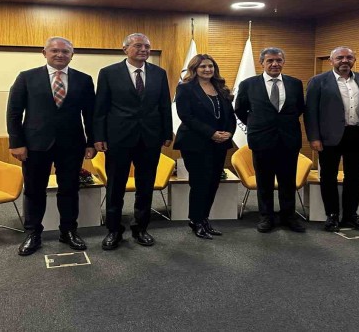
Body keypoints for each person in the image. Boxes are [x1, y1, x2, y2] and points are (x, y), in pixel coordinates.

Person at [6, 37, 96, 256]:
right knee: (34, 191)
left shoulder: (84, 80)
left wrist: (91, 142)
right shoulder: (26, 77)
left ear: (72, 55)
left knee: (70, 189)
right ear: (44, 53)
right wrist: (17, 143)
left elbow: (90, 114)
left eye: (65, 51)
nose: (60, 55)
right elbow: (14, 112)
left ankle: (68, 231)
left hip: (72, 145)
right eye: (55, 50)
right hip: (35, 145)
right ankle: (33, 233)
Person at [93, 33, 173, 250]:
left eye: (147, 46)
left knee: (145, 186)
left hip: (150, 138)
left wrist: (167, 133)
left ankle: (141, 228)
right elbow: (100, 107)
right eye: (138, 46)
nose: (144, 50)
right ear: (125, 49)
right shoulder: (108, 73)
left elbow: (164, 105)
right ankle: (114, 230)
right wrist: (98, 136)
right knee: (115, 186)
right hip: (118, 138)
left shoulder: (158, 73)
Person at [304, 46, 359, 232]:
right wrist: (314, 137)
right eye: (340, 57)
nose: (344, 61)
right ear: (331, 61)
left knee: (354, 177)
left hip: (357, 134)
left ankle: (350, 215)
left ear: (354, 60)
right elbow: (310, 113)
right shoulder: (318, 81)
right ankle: (332, 215)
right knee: (328, 176)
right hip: (329, 137)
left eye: (349, 57)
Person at [235, 47, 306, 233]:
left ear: (283, 62)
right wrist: (258, 124)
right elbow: (240, 110)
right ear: (262, 63)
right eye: (270, 61)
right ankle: (266, 216)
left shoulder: (295, 84)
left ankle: (288, 216)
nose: (275, 64)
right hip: (262, 140)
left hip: (288, 140)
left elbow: (299, 108)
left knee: (287, 181)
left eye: (279, 60)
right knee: (264, 181)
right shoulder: (248, 84)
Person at [174, 54, 236, 239]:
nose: (207, 69)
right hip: (195, 143)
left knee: (213, 182)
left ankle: (204, 219)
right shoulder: (185, 88)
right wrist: (211, 133)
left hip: (220, 143)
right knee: (200, 183)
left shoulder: (221, 88)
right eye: (203, 66)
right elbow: (186, 116)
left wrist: (229, 132)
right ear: (195, 69)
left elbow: (230, 115)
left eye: (210, 66)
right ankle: (195, 221)